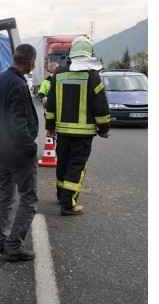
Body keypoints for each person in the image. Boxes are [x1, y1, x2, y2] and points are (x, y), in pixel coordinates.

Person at [0, 44, 39, 262]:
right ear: (31, 61)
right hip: (17, 152)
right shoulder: (18, 84)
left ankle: (0, 241)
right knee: (29, 199)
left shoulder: (0, 80)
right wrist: (30, 148)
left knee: (6, 197)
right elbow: (19, 123)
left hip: (1, 150)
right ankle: (14, 246)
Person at [44, 36, 110, 216]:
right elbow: (100, 104)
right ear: (89, 54)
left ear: (71, 53)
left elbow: (51, 103)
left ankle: (61, 195)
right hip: (83, 133)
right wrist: (104, 129)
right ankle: (68, 204)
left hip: (62, 131)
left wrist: (50, 125)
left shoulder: (59, 73)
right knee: (76, 166)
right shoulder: (91, 75)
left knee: (63, 164)